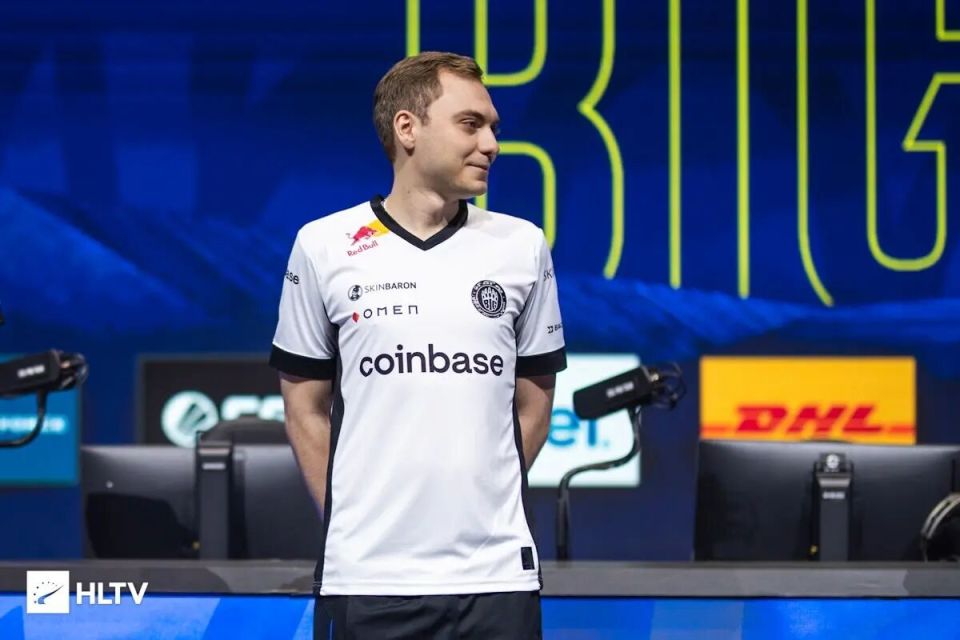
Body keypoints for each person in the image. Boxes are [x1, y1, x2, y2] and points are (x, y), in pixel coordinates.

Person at [269, 51, 566, 639]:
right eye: (470, 124)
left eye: (493, 128)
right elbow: (304, 407)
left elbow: (535, 402)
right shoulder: (323, 245)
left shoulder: (522, 246)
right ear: (407, 128)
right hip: (368, 580)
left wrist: (482, 502)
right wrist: (354, 522)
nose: (491, 145)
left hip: (496, 578)